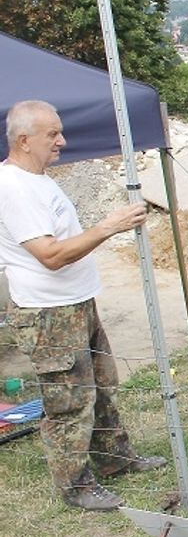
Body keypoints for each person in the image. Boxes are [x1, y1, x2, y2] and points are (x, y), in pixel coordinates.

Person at [0, 100, 166, 511]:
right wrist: (109, 226)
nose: (62, 141)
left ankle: (114, 459)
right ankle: (76, 485)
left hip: (75, 304)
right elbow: (51, 255)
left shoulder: (38, 180)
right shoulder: (14, 188)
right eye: (52, 134)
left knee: (103, 386)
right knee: (69, 401)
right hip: (49, 313)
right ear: (24, 140)